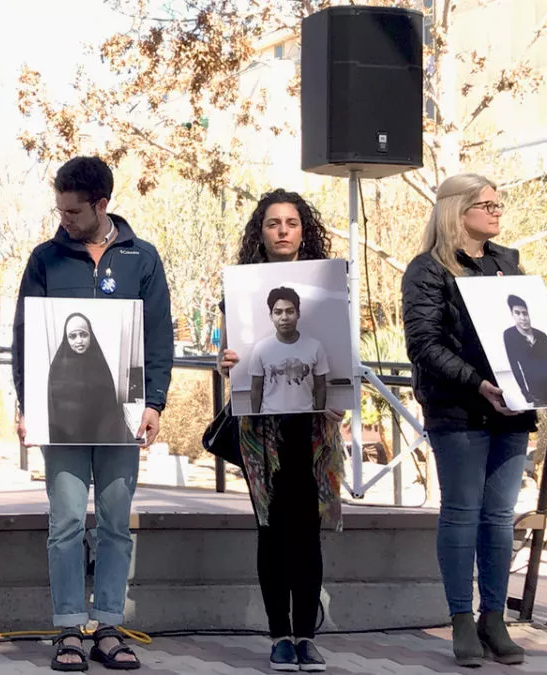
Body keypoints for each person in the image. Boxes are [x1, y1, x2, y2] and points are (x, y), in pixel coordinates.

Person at [12, 156, 173, 671]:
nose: (64, 219)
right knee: (64, 523)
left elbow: (158, 337)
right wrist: (27, 405)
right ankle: (67, 629)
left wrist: (154, 401)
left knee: (114, 524)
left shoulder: (141, 259)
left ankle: (106, 624)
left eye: (74, 211)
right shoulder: (44, 259)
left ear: (102, 205)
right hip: (60, 419)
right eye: (59, 209)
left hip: (121, 418)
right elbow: (25, 340)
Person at [401, 174, 533, 667]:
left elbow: (532, 331)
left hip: (514, 407)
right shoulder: (427, 270)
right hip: (459, 409)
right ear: (457, 210)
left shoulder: (508, 263)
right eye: (487, 204)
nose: (497, 211)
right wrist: (478, 384)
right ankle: (460, 617)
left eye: (500, 203)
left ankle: (493, 617)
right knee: (461, 511)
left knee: (500, 517)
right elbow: (424, 345)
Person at [217, 189, 344, 672]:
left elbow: (339, 357)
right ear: (261, 231)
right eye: (273, 223)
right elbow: (224, 354)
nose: (283, 230)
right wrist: (222, 360)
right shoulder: (238, 288)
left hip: (313, 432)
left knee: (308, 532)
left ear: (303, 228)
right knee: (271, 531)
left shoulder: (330, 285)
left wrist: (340, 400)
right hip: (261, 436)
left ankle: (307, 636)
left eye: (292, 222)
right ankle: (278, 636)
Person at [47, 312, 132, 445]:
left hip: (97, 438)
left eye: (83, 334)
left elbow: (108, 409)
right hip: (67, 441)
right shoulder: (57, 368)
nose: (79, 340)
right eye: (73, 336)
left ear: (90, 336)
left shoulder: (100, 365)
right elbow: (53, 411)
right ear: (66, 339)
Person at [248, 286, 330, 415]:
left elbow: (320, 387)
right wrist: (255, 419)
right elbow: (256, 389)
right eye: (278, 312)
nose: (284, 317)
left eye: (290, 311)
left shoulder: (315, 347)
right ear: (271, 316)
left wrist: (318, 417)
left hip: (305, 418)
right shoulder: (261, 348)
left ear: (298, 314)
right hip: (270, 419)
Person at [502, 294, 547, 408]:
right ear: (512, 314)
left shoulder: (541, 336)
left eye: (525, 313)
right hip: (536, 392)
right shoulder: (509, 335)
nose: (522, 317)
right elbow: (514, 366)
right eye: (517, 313)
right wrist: (525, 392)